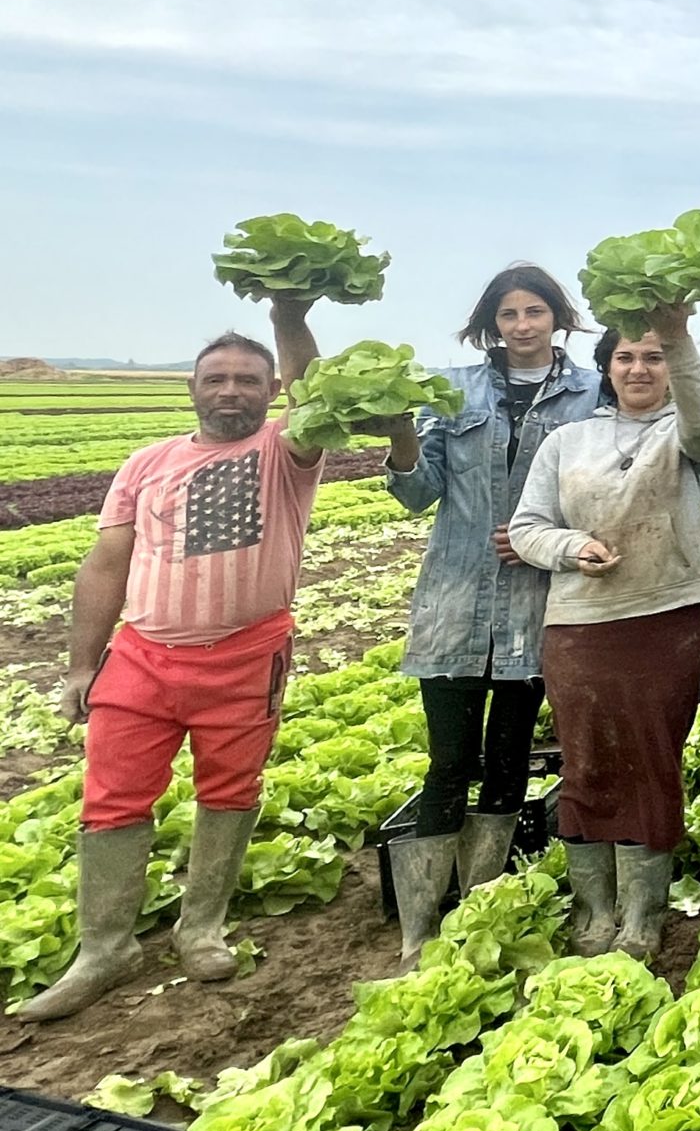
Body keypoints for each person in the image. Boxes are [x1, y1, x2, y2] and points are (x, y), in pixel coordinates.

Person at [21, 303, 333, 1019]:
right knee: (113, 798)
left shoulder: (286, 451)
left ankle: (202, 928)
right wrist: (80, 665)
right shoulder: (147, 464)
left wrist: (287, 311)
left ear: (270, 389)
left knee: (229, 790)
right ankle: (105, 948)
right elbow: (105, 564)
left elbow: (315, 391)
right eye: (216, 379)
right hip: (142, 654)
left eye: (248, 380)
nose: (231, 391)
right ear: (192, 389)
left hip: (247, 655)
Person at [379, 263, 601, 963]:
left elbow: (602, 492)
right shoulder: (453, 391)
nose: (522, 326)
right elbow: (419, 493)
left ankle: (477, 910)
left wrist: (546, 538)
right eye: (508, 315)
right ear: (490, 324)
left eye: (535, 312)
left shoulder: (591, 392)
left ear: (558, 318)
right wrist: (401, 437)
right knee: (447, 762)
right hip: (455, 601)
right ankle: (419, 927)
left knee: (508, 761)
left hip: (538, 606)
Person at [508, 303, 700, 963]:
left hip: (666, 622)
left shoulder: (686, 435)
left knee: (651, 763)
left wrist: (680, 332)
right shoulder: (567, 443)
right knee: (588, 762)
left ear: (672, 368)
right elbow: (526, 528)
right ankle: (595, 907)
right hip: (580, 627)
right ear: (605, 367)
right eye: (626, 356)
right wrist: (572, 547)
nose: (639, 367)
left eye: (654, 357)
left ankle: (643, 915)